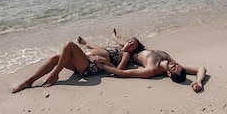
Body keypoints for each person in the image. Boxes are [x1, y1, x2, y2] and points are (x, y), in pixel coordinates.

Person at [11, 31, 142, 93]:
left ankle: (55, 74)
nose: (130, 44)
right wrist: (85, 43)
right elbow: (97, 48)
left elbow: (118, 71)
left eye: (134, 45)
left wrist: (104, 62)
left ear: (134, 49)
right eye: (130, 41)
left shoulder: (124, 54)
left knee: (69, 45)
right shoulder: (116, 47)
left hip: (91, 67)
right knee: (56, 57)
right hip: (84, 61)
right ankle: (28, 82)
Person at [98, 48, 206, 92]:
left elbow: (123, 73)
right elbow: (201, 69)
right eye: (176, 64)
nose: (174, 63)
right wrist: (199, 82)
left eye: (173, 67)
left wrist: (103, 66)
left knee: (99, 52)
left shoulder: (151, 70)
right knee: (121, 39)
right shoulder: (173, 63)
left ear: (169, 73)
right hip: (139, 46)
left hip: (126, 55)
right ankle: (114, 36)